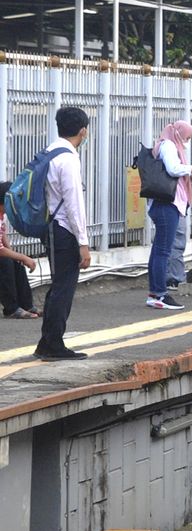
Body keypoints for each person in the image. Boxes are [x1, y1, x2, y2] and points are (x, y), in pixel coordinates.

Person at [36, 107, 91, 360]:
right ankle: (53, 344)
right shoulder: (68, 158)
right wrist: (83, 242)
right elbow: (73, 204)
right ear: (82, 130)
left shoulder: (49, 151)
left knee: (58, 286)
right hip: (64, 230)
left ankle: (47, 342)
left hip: (51, 227)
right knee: (63, 289)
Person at [147, 120, 192, 310]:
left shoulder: (167, 144)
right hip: (167, 203)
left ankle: (155, 292)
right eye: (187, 136)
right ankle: (160, 293)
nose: (187, 140)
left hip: (164, 203)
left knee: (158, 249)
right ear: (179, 133)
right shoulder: (169, 146)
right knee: (163, 251)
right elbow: (173, 169)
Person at [0, 181, 39, 319]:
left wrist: (16, 256)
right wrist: (21, 257)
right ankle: (11, 308)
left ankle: (27, 305)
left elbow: (2, 234)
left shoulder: (1, 215)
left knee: (14, 262)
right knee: (5, 263)